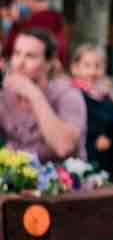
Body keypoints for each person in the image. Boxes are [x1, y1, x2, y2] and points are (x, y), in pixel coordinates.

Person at [0, 28, 85, 161]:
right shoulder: (5, 95)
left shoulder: (67, 94)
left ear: (49, 63)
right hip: (16, 177)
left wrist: (33, 94)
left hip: (62, 177)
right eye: (17, 53)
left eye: (30, 56)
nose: (20, 63)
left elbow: (63, 147)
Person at [70, 43, 113, 179]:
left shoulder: (106, 97)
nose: (92, 72)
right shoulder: (73, 95)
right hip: (80, 158)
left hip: (104, 160)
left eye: (98, 66)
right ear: (75, 68)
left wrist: (110, 137)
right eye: (87, 66)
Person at [4, 0, 69, 68]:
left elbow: (12, 48)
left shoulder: (46, 18)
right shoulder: (34, 17)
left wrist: (18, 23)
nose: (15, 3)